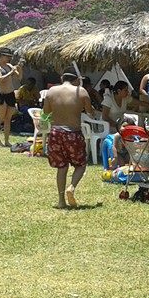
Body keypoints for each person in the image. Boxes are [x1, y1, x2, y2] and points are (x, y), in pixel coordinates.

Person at [42, 71, 95, 208]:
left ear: (62, 78)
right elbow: (90, 112)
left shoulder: (51, 91)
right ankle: (71, 187)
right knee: (81, 164)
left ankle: (61, 201)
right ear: (77, 79)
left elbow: (46, 111)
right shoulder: (81, 91)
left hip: (55, 133)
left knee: (62, 167)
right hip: (73, 133)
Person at [0, 47, 23, 147]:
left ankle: (7, 141)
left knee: (8, 118)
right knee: (0, 118)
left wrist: (19, 69)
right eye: (7, 56)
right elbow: (0, 79)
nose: (9, 59)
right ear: (1, 56)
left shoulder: (9, 65)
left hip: (10, 94)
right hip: (2, 94)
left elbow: (19, 77)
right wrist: (10, 72)